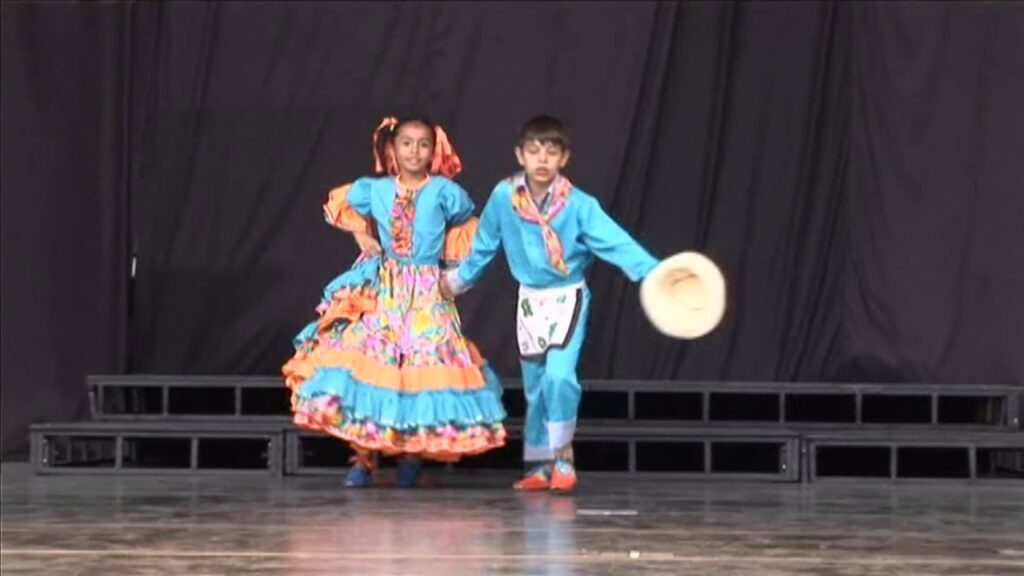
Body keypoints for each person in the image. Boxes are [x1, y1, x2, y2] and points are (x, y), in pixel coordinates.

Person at [284, 116, 506, 488]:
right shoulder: (375, 189)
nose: (414, 151)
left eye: (423, 144)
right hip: (385, 287)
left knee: (421, 369)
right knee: (371, 364)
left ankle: (412, 455)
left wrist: (455, 277)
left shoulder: (445, 192)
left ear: (433, 151)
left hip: (426, 292)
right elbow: (341, 203)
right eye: (407, 143)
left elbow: (469, 233)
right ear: (392, 149)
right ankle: (363, 458)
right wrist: (362, 238)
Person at [441, 115, 661, 492]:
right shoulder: (503, 196)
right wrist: (456, 282)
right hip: (530, 302)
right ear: (520, 155)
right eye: (534, 151)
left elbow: (614, 241)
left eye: (551, 152)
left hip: (566, 297)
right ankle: (540, 466)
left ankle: (563, 457)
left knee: (560, 377)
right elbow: (485, 244)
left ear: (564, 158)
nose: (542, 159)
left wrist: (654, 272)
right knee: (536, 387)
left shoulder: (578, 205)